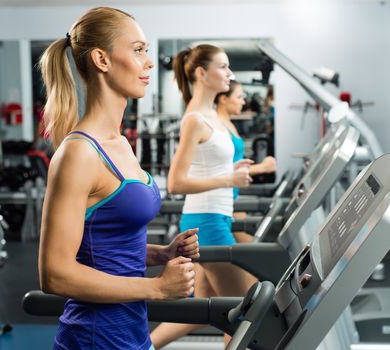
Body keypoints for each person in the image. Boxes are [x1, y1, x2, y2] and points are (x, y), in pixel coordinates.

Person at [38, 7, 200, 350]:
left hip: (131, 331)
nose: (149, 62)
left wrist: (161, 254)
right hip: (95, 337)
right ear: (102, 59)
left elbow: (106, 246)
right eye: (138, 50)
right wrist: (156, 288)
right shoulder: (79, 153)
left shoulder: (120, 144)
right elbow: (54, 274)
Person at [150, 45, 255, 348]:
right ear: (201, 73)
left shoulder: (210, 116)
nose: (230, 74)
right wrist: (228, 178)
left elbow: (206, 166)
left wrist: (232, 169)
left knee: (205, 307)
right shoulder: (194, 118)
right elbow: (175, 182)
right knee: (244, 311)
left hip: (212, 217)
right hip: (207, 222)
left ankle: (143, 346)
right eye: (223, 67)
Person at [215, 80, 277, 243]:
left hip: (231, 198)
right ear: (223, 99)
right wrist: (262, 167)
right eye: (239, 96)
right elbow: (224, 171)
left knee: (251, 252)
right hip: (222, 202)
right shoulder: (219, 126)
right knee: (252, 255)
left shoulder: (228, 124)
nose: (243, 101)